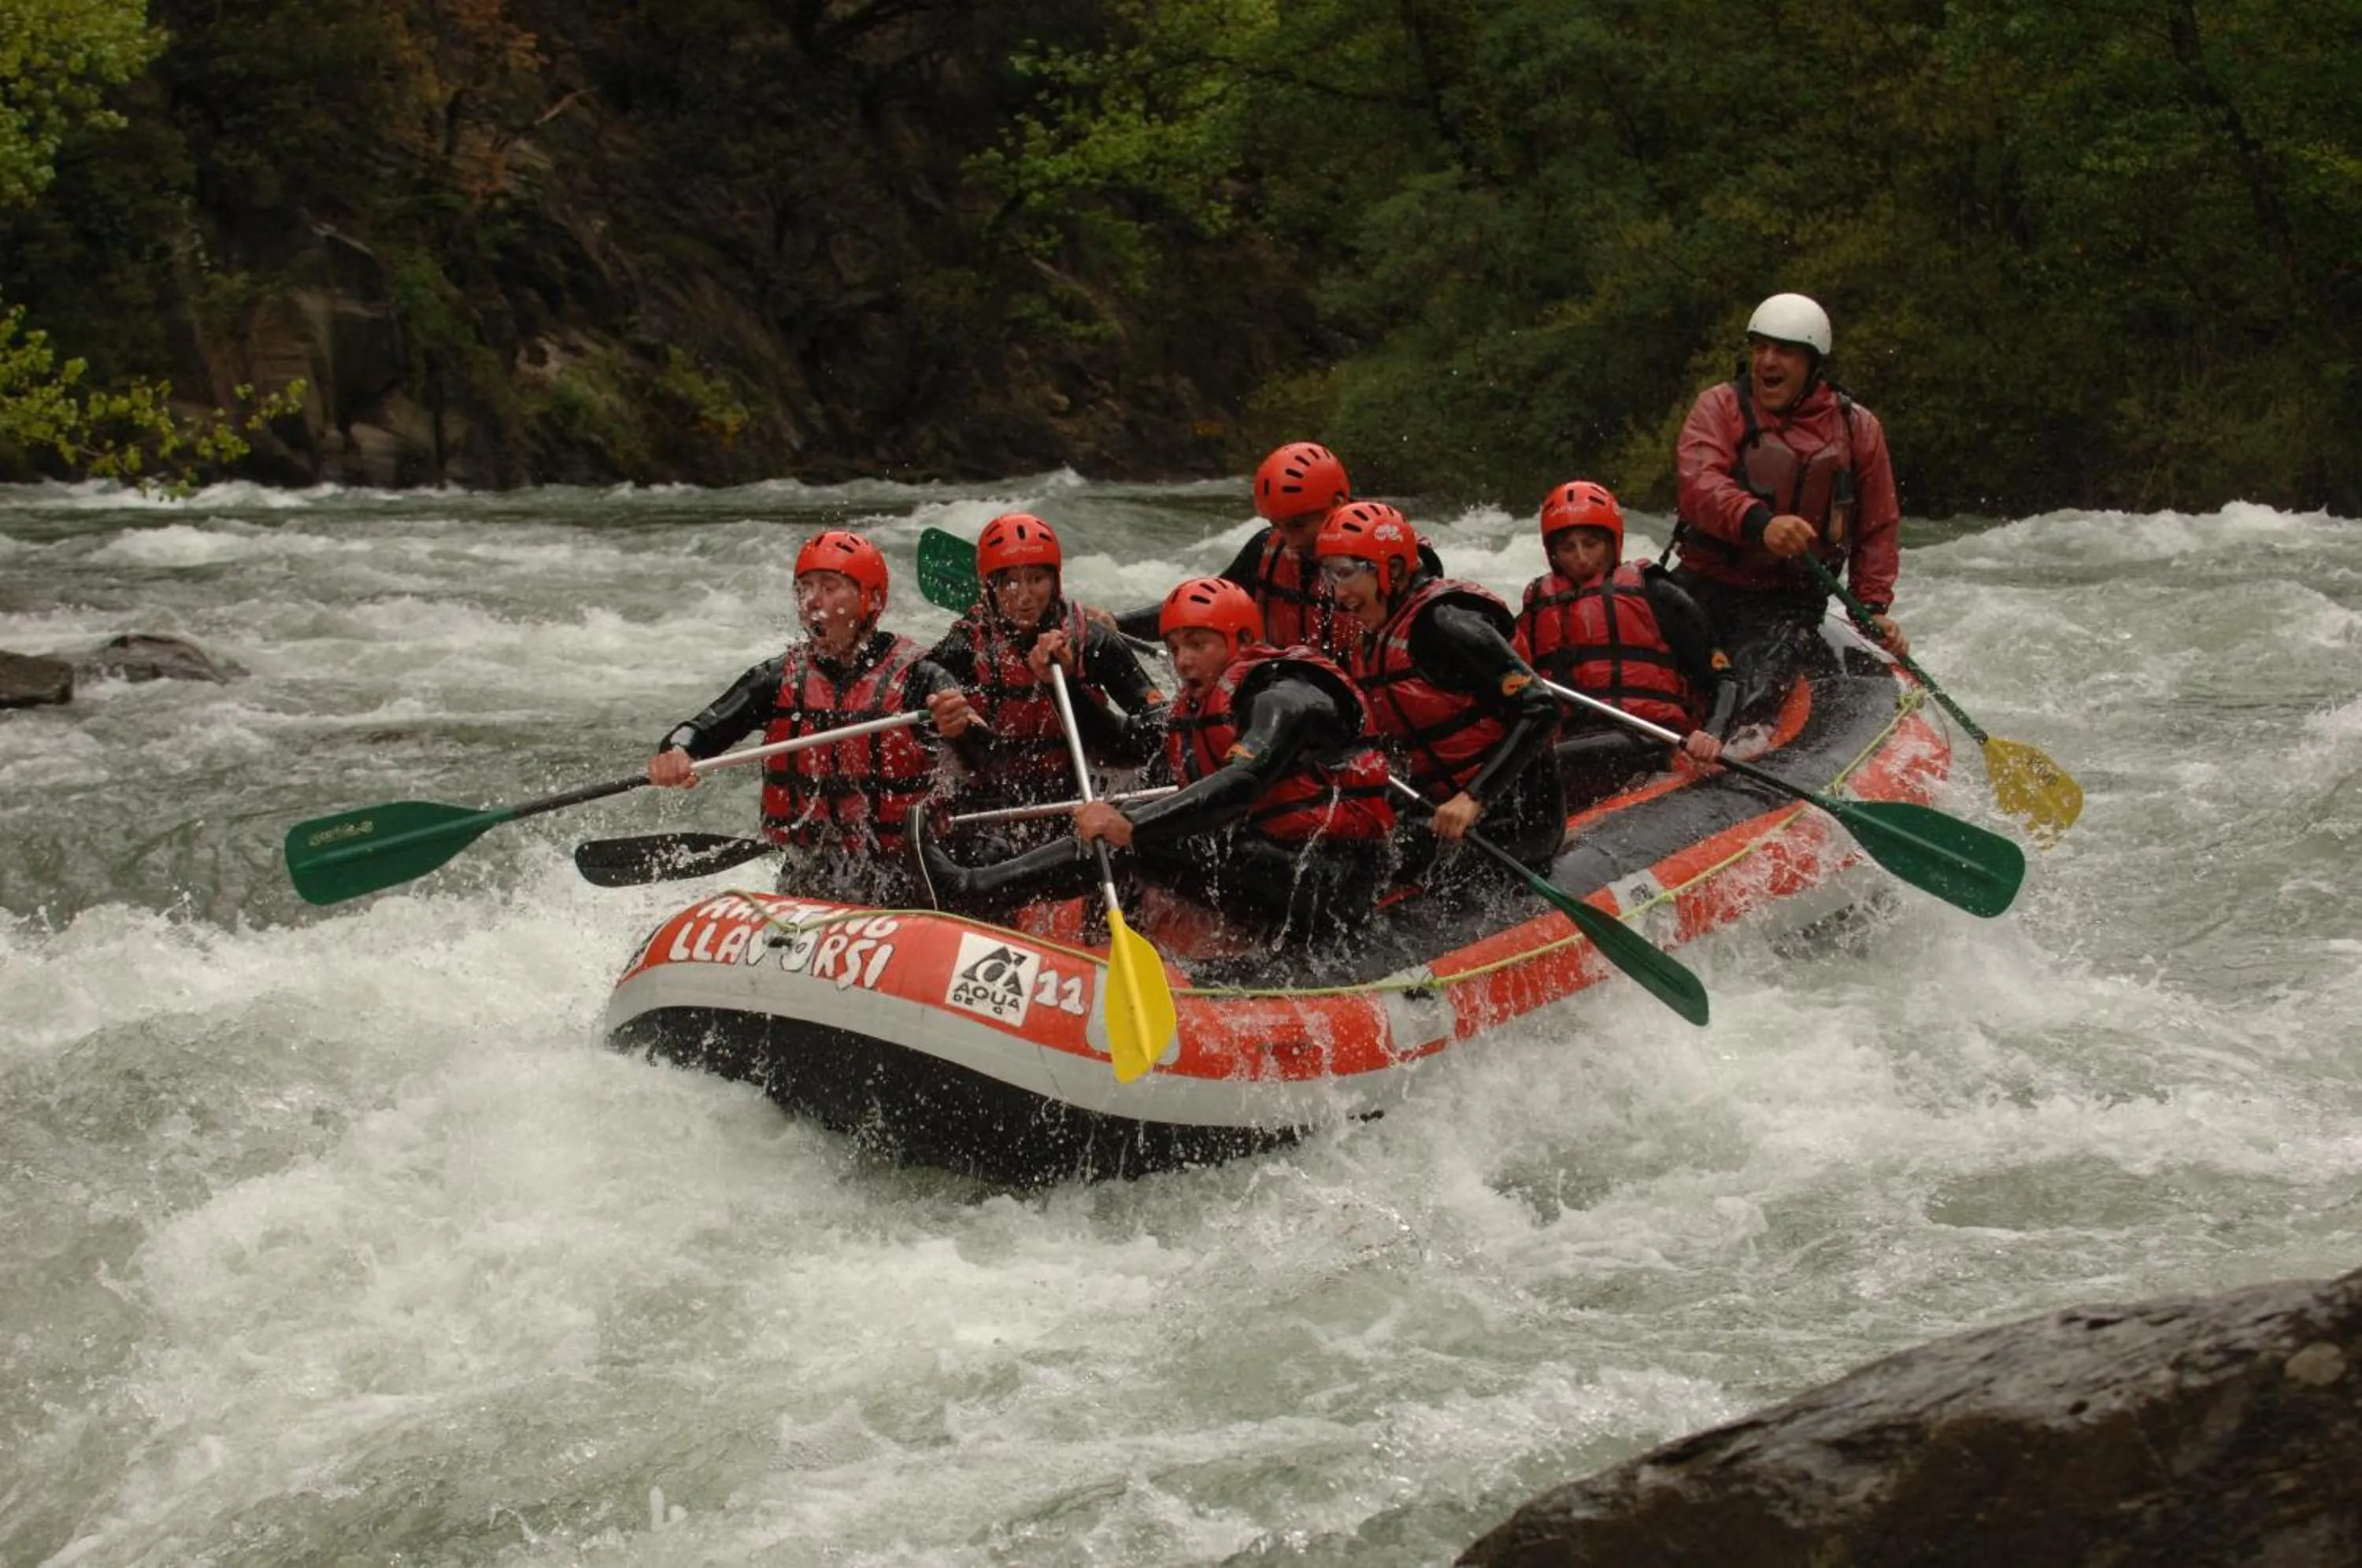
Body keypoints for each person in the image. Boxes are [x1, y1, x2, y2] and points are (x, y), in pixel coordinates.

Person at [916, 576, 1398, 942]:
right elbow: (1125, 744)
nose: (1183, 662)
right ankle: (1091, 942)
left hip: (1326, 885)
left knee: (1131, 831)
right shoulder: (1197, 707)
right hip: (1264, 865)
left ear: (1244, 641)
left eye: (1199, 645)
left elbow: (1243, 782)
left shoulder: (1287, 695)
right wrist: (1059, 684)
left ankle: (971, 890)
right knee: (1124, 826)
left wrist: (1134, 829)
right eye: (1174, 648)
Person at [646, 528, 979, 900]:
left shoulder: (921, 676)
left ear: (872, 599)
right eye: (805, 588)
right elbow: (700, 731)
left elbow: (985, 760)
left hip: (909, 883)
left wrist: (958, 727)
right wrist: (678, 752)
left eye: (830, 587)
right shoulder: (778, 679)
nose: (812, 601)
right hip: (807, 880)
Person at [1666, 291, 1907, 723]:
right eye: (1760, 348)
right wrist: (1759, 522)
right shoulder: (1720, 406)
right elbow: (1698, 485)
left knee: (1750, 702)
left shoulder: (1858, 430)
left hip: (1786, 602)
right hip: (1705, 580)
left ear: (1813, 364)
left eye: (1784, 352)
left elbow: (1876, 529)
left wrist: (1871, 608)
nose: (1767, 362)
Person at [1313, 501, 1566, 880]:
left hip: (1519, 815)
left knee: (1371, 870)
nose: (1337, 593)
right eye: (1329, 576)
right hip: (1440, 813)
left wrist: (1472, 799)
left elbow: (1542, 709)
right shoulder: (1373, 637)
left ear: (1392, 570)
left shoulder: (1445, 624)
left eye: (1346, 574)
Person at [927, 512, 1166, 836]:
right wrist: (955, 723)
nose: (1024, 597)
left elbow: (1154, 739)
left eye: (1036, 580)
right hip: (996, 802)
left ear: (1055, 582)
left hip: (1080, 798)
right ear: (990, 588)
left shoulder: (1092, 641)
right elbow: (921, 687)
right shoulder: (966, 646)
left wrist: (1063, 684)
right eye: (1010, 582)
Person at [1107, 441, 1438, 664]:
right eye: (1277, 525)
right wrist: (1116, 623)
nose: (1289, 542)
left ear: (1337, 505)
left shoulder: (1395, 555)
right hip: (1290, 704)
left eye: (1297, 525)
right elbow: (1200, 612)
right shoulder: (1268, 550)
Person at [1515, 480, 1737, 807]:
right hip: (1574, 741)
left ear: (1612, 541)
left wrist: (1713, 732)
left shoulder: (1656, 592)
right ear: (1553, 554)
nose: (1581, 558)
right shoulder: (1537, 606)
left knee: (1552, 763)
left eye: (1591, 544)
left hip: (1649, 741)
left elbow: (1721, 677)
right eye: (1568, 548)